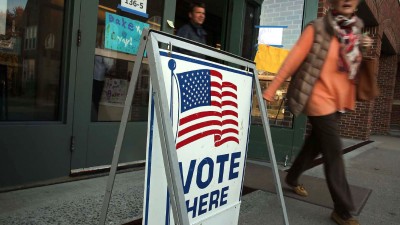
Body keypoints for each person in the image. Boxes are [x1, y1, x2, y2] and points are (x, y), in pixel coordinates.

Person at [262, 0, 373, 225]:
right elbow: (293, 59)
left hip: (340, 99)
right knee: (333, 151)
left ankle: (292, 176)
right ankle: (342, 210)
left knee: (315, 144)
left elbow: (350, 66)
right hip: (318, 97)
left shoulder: (355, 29)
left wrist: (362, 48)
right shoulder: (317, 27)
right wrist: (272, 88)